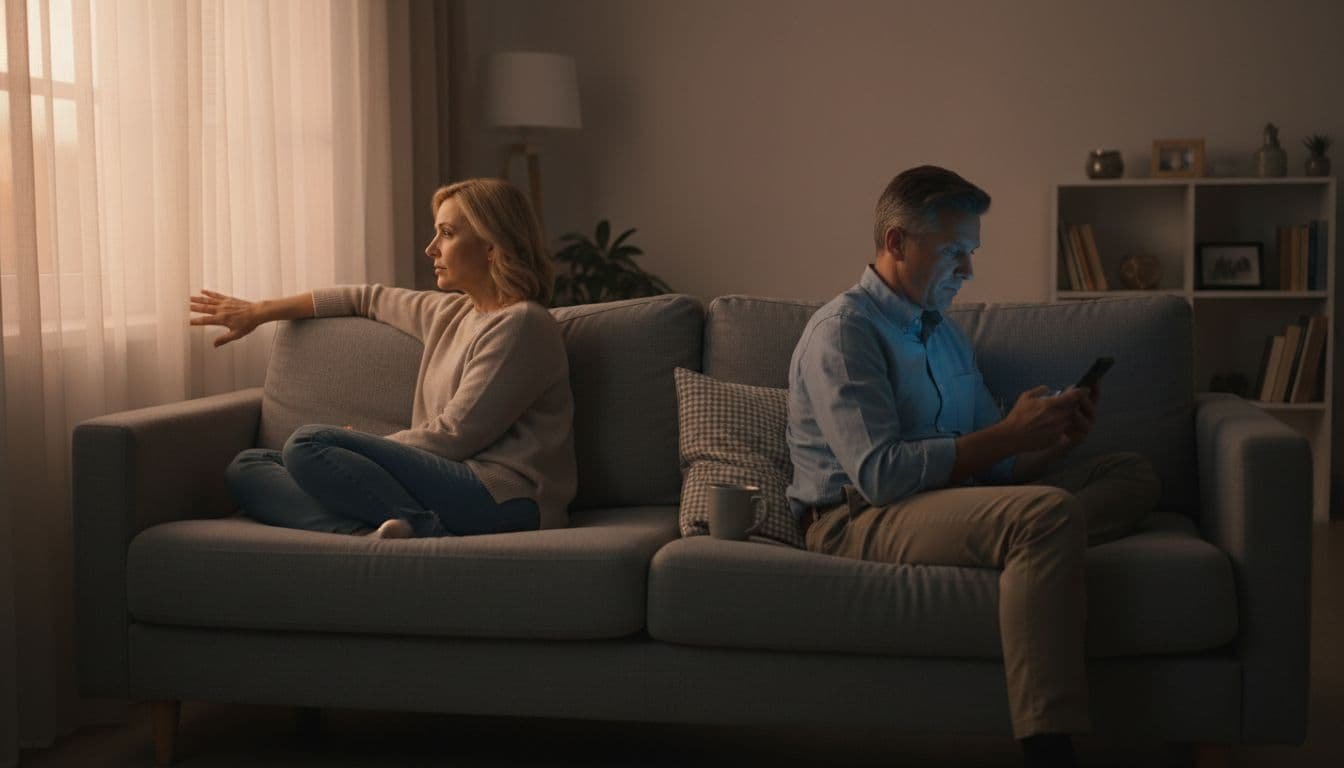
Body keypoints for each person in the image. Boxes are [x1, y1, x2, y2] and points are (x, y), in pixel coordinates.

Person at [786, 165, 1159, 767]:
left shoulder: (947, 335)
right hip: (858, 516)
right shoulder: (844, 333)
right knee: (1045, 515)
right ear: (895, 243)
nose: (969, 270)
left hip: (952, 499)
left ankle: (1036, 546)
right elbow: (879, 474)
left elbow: (1001, 459)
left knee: (1129, 472)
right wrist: (1007, 436)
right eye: (955, 251)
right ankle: (1048, 743)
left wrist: (1053, 435)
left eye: (972, 252)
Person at [190, 178, 576, 539]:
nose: (431, 249)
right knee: (249, 467)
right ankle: (385, 531)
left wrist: (364, 446)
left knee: (310, 443)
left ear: (492, 246)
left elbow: (455, 437)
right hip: (444, 480)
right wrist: (258, 312)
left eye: (446, 233)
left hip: (503, 496)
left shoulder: (522, 324)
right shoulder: (451, 313)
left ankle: (418, 526)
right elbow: (364, 297)